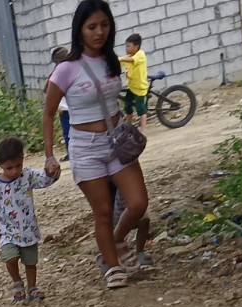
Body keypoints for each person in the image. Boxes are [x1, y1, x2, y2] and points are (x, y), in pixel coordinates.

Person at [43, 0, 150, 290]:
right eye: (92, 27)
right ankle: (113, 267)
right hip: (86, 148)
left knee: (138, 203)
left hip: (116, 142)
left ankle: (115, 240)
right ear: (79, 30)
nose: (99, 32)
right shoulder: (66, 69)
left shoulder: (111, 60)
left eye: (104, 25)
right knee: (102, 212)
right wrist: (50, 155)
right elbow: (49, 112)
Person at [0, 136, 58, 303]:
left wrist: (51, 173)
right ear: (0, 165)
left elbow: (44, 180)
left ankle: (32, 288)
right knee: (10, 257)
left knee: (30, 262)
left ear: (22, 159)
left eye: (18, 166)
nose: (14, 171)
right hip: (7, 231)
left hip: (28, 230)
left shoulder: (28, 176)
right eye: (9, 168)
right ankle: (17, 282)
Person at [119, 33, 149, 127]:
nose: (126, 48)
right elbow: (120, 64)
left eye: (128, 46)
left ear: (136, 46)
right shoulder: (128, 56)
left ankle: (143, 131)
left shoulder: (140, 54)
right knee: (127, 106)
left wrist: (119, 59)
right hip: (131, 87)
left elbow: (131, 60)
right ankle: (128, 126)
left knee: (140, 109)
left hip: (140, 88)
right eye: (126, 46)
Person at [51, 46, 72, 160]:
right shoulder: (56, 74)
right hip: (64, 109)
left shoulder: (71, 71)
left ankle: (72, 153)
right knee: (67, 133)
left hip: (71, 108)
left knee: (71, 132)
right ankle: (70, 153)